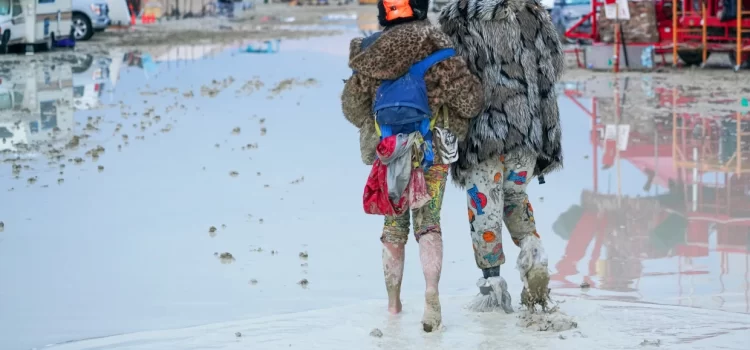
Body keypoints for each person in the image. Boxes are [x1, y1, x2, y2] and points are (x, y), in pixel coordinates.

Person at [341, 0, 483, 332]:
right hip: (432, 151)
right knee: (429, 224)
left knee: (393, 228)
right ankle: (431, 296)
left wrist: (380, 128)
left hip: (389, 152)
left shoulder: (369, 52)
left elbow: (351, 107)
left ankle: (393, 306)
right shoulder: (438, 46)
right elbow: (471, 101)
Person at [438, 0, 565, 311]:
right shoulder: (534, 12)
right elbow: (554, 67)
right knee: (515, 198)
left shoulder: (460, 14)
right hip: (528, 132)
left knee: (484, 209)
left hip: (483, 134)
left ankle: (493, 286)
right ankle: (533, 252)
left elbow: (451, 78)